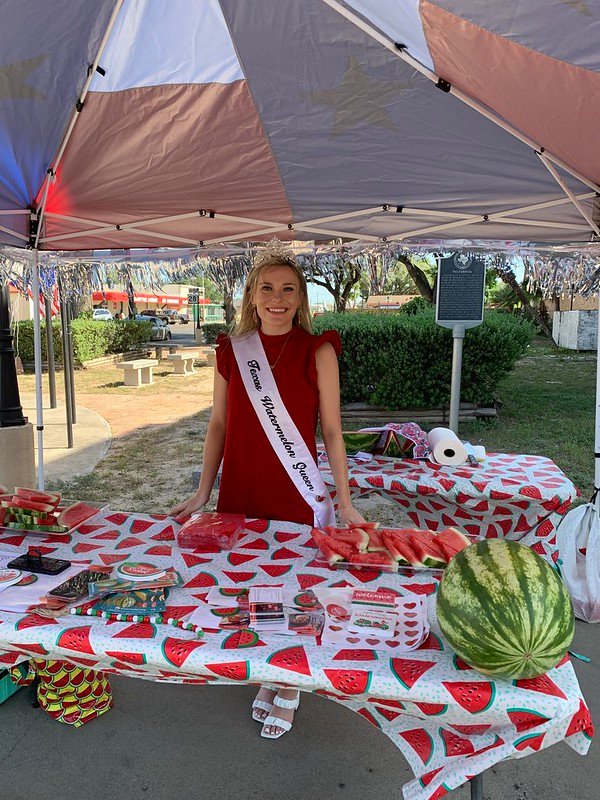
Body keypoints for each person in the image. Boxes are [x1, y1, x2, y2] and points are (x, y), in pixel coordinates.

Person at [170, 242, 365, 739]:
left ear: (301, 299)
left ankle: (291, 684)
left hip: (294, 491)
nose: (277, 298)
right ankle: (269, 667)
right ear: (251, 297)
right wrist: (202, 494)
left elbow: (333, 432)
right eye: (267, 288)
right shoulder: (232, 352)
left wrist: (343, 501)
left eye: (288, 289)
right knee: (247, 583)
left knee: (295, 585)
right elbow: (217, 425)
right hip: (241, 487)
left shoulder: (319, 350)